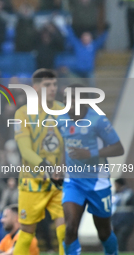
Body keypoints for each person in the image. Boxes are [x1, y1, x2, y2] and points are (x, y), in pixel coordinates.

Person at [56, 84, 124, 255]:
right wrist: (60, 166)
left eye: (70, 98)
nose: (66, 102)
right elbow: (66, 145)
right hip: (73, 182)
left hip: (98, 183)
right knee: (70, 227)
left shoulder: (98, 121)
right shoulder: (61, 119)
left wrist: (90, 153)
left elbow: (118, 148)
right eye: (64, 98)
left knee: (104, 232)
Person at [13, 69, 65, 255]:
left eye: (54, 84)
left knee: (65, 231)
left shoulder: (63, 111)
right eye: (47, 85)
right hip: (32, 182)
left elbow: (69, 144)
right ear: (35, 88)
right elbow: (25, 150)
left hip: (58, 181)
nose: (52, 88)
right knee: (26, 233)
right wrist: (48, 168)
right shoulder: (23, 113)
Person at [112, 178, 134, 251]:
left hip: (127, 221)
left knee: (121, 238)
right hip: (116, 221)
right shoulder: (116, 194)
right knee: (115, 239)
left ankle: (122, 252)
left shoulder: (129, 193)